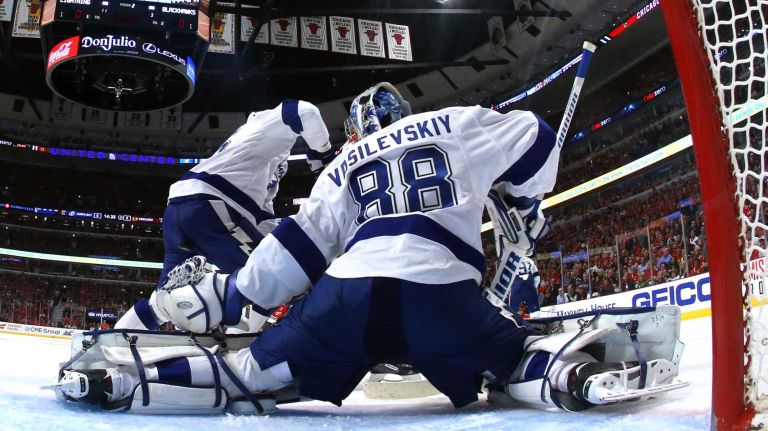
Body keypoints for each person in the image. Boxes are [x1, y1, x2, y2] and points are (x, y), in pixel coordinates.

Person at [58, 83, 682, 413]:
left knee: (248, 375)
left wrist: (235, 294)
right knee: (513, 360)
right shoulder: (460, 123)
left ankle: (118, 381)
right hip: (442, 300)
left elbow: (295, 255)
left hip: (345, 301)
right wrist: (520, 204)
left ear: (358, 130)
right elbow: (539, 139)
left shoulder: (346, 161)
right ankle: (578, 381)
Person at [114, 100, 334, 331]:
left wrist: (289, 231)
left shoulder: (266, 158)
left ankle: (106, 348)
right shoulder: (262, 126)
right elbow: (302, 111)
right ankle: (236, 344)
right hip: (213, 205)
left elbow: (262, 216)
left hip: (183, 208)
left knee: (163, 301)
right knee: (274, 275)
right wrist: (324, 155)